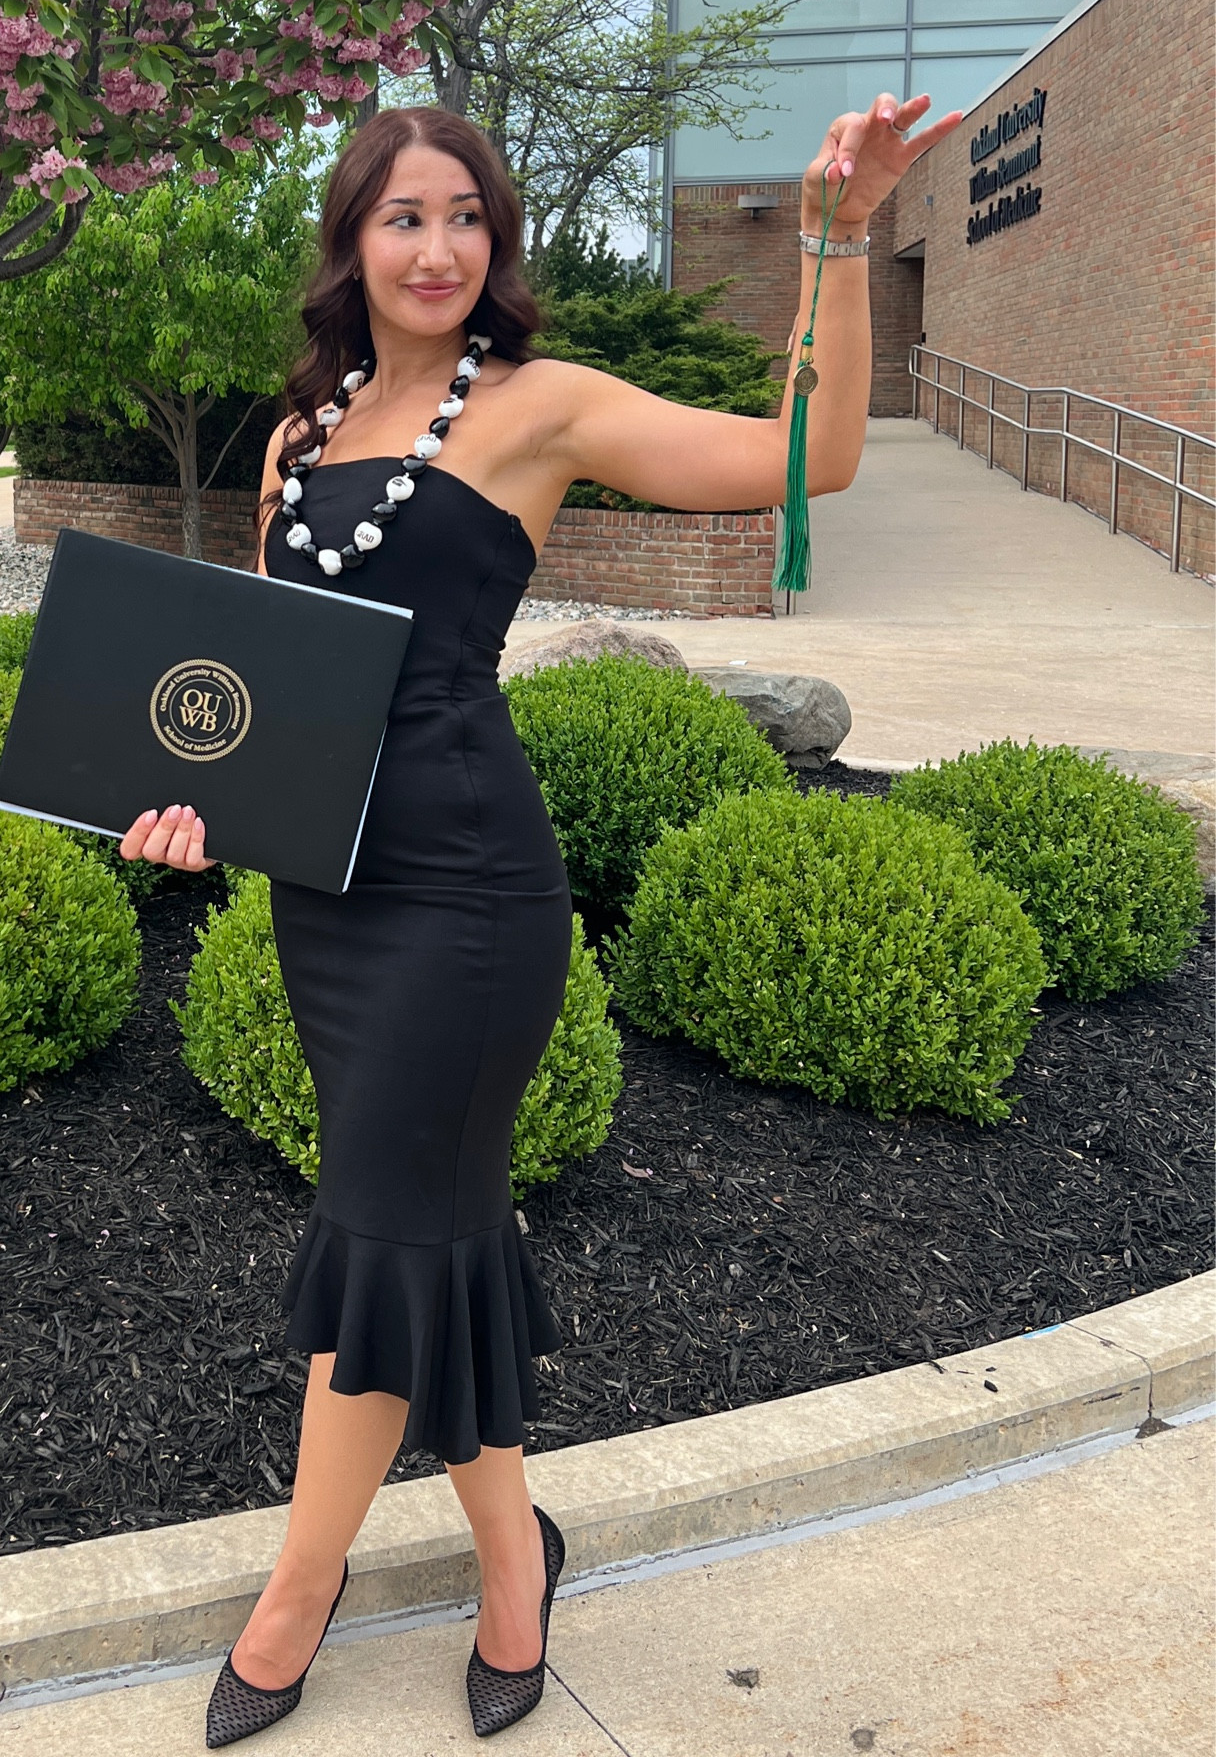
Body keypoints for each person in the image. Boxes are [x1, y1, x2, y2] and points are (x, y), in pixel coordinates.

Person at [119, 94, 959, 1746]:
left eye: (466, 218)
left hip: (468, 893)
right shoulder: (302, 438)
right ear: (351, 242)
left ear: (495, 244)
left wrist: (839, 243)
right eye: (402, 217)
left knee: (378, 1227)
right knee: (429, 1234)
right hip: (328, 904)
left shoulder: (542, 407)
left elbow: (814, 460)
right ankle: (517, 1557)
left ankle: (299, 1594)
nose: (438, 248)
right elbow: (280, 705)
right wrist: (197, 819)